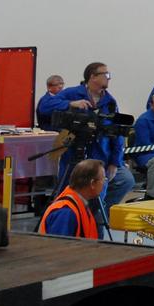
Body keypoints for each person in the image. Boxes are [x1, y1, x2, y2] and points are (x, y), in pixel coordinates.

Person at [37, 61, 134, 207]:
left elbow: (116, 132)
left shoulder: (109, 102)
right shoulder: (72, 93)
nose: (109, 78)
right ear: (93, 76)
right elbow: (45, 106)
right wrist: (70, 104)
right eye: (106, 74)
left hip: (100, 157)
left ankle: (99, 217)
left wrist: (115, 161)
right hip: (74, 155)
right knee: (67, 196)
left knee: (124, 181)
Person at [38, 158, 104, 238]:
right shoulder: (66, 212)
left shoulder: (79, 205)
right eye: (103, 179)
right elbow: (58, 247)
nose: (104, 183)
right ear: (92, 183)